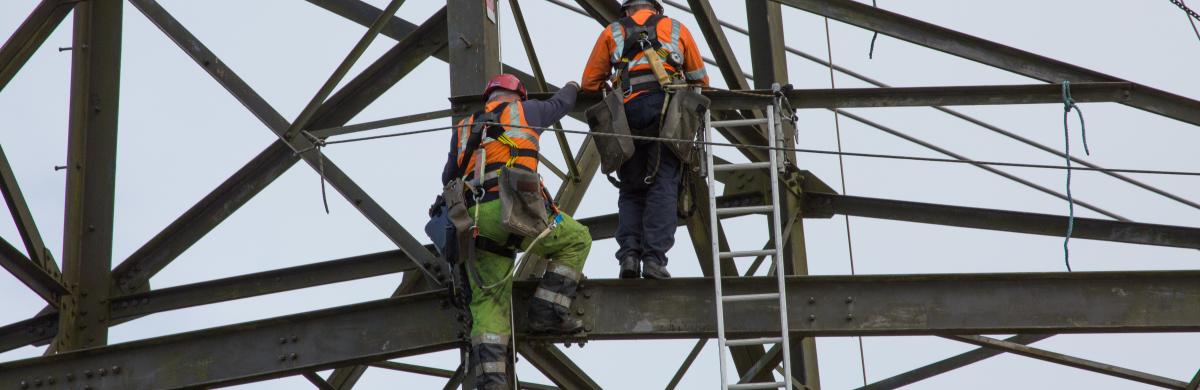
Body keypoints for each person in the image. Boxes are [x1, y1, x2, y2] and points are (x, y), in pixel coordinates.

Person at [441, 74, 591, 390]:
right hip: (519, 211)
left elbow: (448, 176)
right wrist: (573, 86)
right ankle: (547, 310)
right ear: (518, 96)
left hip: (476, 223)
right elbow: (561, 104)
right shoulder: (528, 111)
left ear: (489, 97)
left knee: (488, 303)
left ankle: (492, 381)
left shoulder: (465, 126)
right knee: (576, 239)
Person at [580, 0, 710, 280]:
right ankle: (654, 259)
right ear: (656, 8)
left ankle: (629, 256)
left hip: (627, 113)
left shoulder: (612, 32)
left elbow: (589, 83)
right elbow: (701, 79)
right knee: (662, 183)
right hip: (665, 110)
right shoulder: (676, 28)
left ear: (626, 10)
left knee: (631, 187)